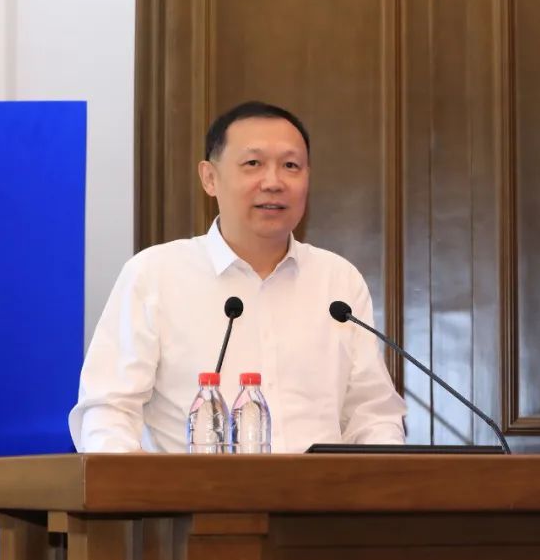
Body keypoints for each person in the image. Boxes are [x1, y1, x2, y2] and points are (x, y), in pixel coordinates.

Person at [69, 101, 406, 453]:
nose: (273, 182)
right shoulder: (155, 275)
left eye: (291, 166)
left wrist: (388, 474)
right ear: (209, 178)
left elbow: (372, 415)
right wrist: (127, 481)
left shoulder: (338, 281)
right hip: (193, 489)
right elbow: (109, 410)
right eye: (253, 164)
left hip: (322, 490)